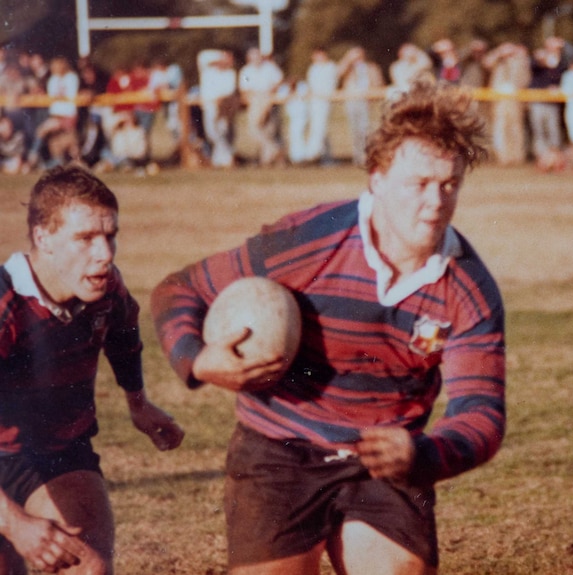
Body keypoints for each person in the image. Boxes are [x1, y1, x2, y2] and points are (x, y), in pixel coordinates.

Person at [151, 81, 505, 575]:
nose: (436, 202)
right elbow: (178, 290)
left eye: (450, 184)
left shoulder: (466, 286)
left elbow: (482, 413)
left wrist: (424, 454)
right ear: (377, 180)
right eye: (418, 183)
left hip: (383, 460)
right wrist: (197, 358)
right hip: (278, 450)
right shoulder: (311, 240)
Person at [0, 165, 185, 574]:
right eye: (85, 238)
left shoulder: (105, 288)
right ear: (42, 238)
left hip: (60, 452)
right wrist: (13, 522)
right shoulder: (5, 304)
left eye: (110, 236)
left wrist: (138, 403)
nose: (104, 254)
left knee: (87, 566)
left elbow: (123, 331)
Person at [238, 47, 284, 167]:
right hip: (254, 101)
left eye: (258, 56)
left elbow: (279, 81)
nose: (256, 59)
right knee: (254, 130)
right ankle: (275, 150)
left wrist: (269, 95)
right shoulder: (246, 71)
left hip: (269, 100)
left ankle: (266, 161)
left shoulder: (270, 68)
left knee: (269, 131)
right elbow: (244, 89)